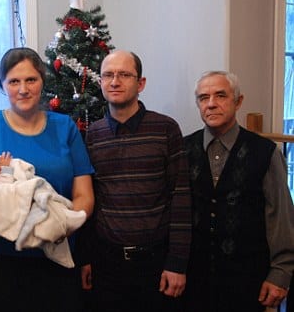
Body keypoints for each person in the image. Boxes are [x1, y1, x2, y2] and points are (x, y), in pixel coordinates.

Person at [0, 47, 95, 312]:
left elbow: (84, 195)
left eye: (31, 80)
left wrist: (56, 226)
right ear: (3, 86)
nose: (23, 89)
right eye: (14, 81)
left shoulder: (65, 128)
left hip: (52, 259)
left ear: (42, 82)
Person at [78, 50, 192, 312]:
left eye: (124, 75)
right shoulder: (92, 135)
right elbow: (89, 199)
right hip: (106, 263)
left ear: (140, 83)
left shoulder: (166, 129)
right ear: (101, 82)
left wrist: (177, 264)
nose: (115, 81)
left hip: (155, 262)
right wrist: (86, 258)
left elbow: (181, 198)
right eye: (108, 75)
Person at [183, 70, 294, 312]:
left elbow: (280, 218)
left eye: (220, 95)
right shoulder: (184, 149)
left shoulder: (265, 152)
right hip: (194, 281)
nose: (211, 104)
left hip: (248, 279)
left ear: (238, 101)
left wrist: (280, 272)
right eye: (203, 98)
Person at [0, 151, 87, 268]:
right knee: (42, 212)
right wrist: (5, 169)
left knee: (46, 205)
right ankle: (62, 222)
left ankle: (63, 218)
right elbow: (5, 185)